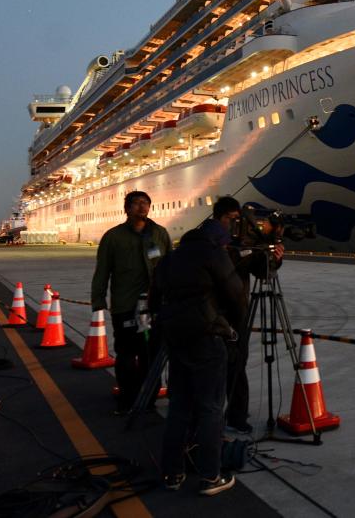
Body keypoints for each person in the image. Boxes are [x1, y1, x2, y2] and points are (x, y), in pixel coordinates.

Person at [150, 227, 247, 495]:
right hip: (207, 337)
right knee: (210, 408)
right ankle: (210, 476)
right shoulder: (214, 254)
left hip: (175, 338)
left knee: (179, 406)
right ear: (218, 241)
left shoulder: (170, 258)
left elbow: (154, 299)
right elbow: (237, 295)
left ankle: (172, 473)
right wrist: (233, 329)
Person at [197, 197, 283, 434]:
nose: (237, 225)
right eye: (233, 220)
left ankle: (236, 415)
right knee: (209, 365)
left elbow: (263, 273)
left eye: (239, 220)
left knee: (238, 364)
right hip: (209, 313)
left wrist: (274, 256)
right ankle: (203, 414)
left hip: (237, 312)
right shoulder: (207, 241)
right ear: (220, 218)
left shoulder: (244, 243)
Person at [91, 190, 170, 414]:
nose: (141, 207)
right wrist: (98, 299)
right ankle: (127, 399)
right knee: (126, 354)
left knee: (151, 355)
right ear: (126, 208)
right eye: (136, 203)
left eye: (145, 203)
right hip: (125, 304)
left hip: (155, 305)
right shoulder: (113, 237)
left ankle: (149, 399)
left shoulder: (159, 234)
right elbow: (102, 270)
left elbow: (169, 266)